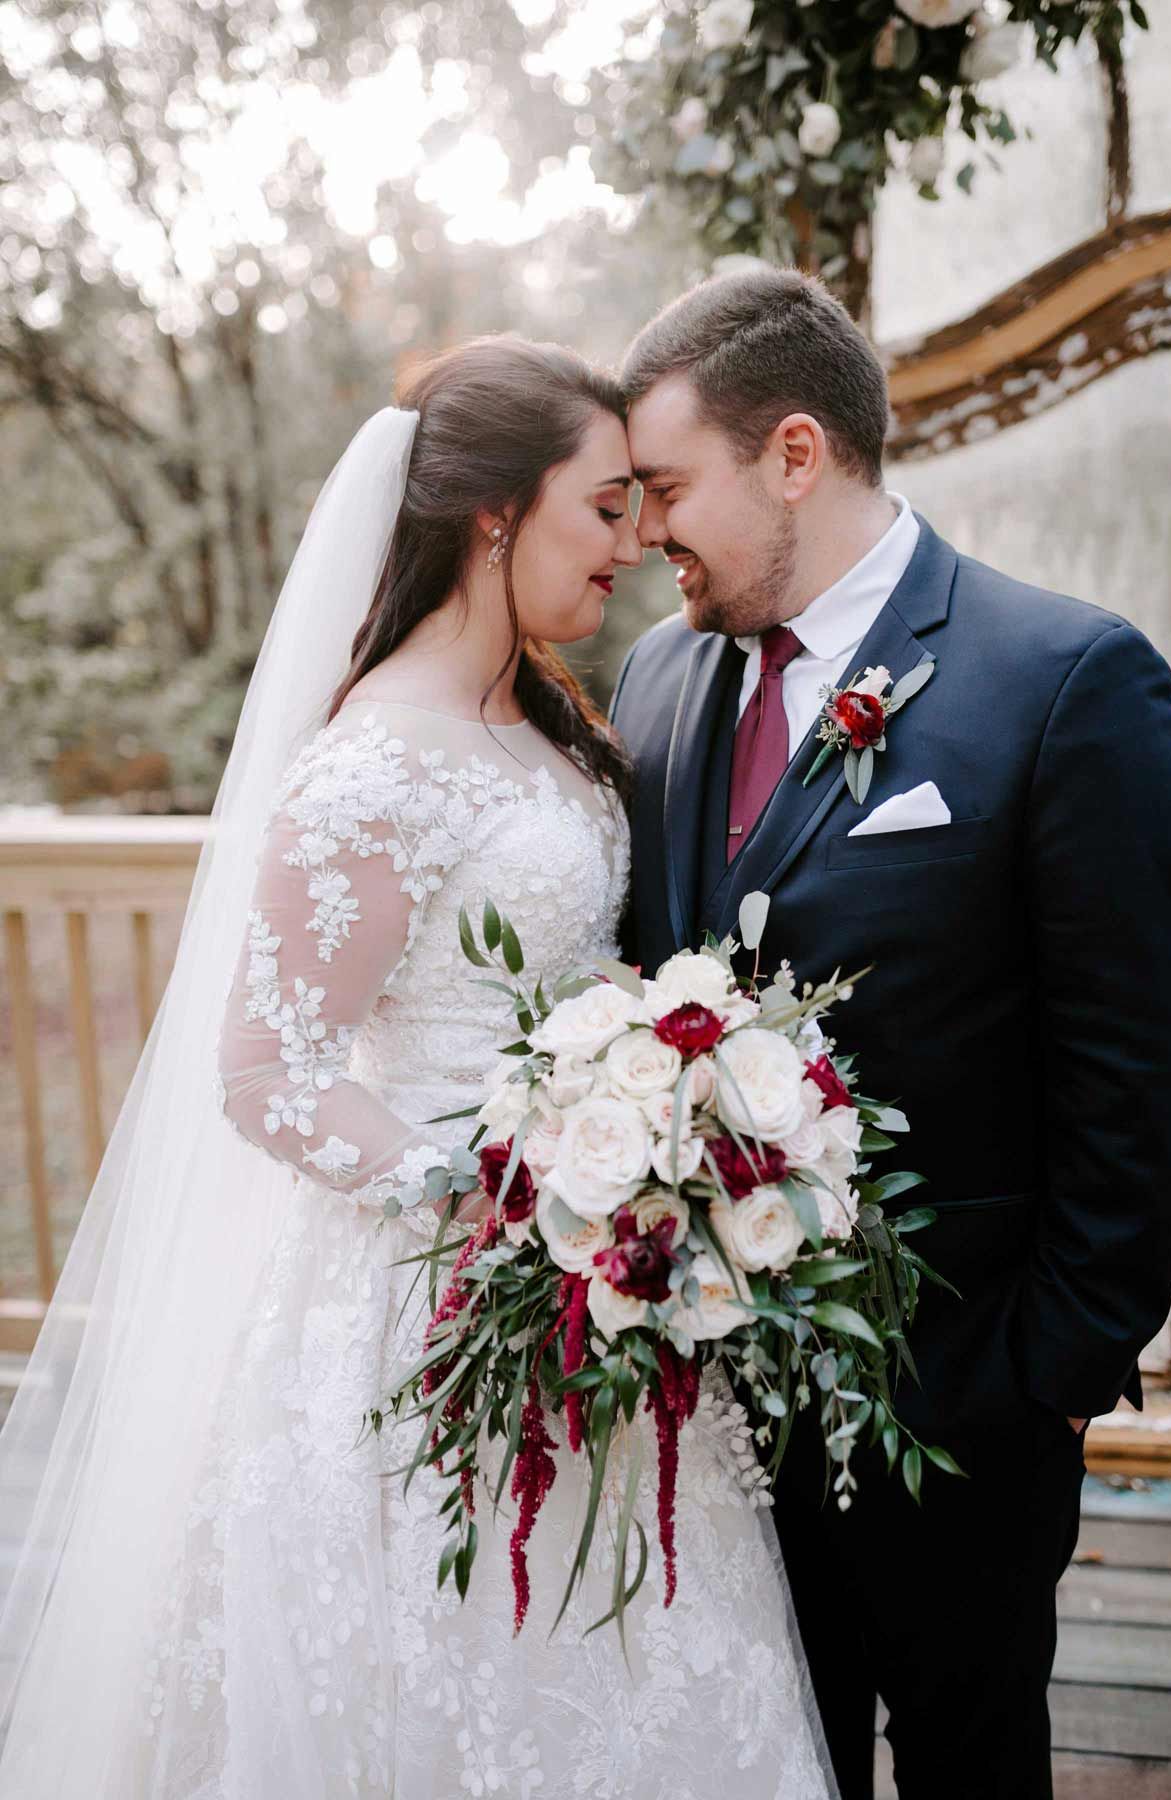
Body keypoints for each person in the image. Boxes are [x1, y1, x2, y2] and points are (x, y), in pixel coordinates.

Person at [0, 336, 838, 1799]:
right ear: (493, 515)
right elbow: (268, 1071)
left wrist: (656, 1129)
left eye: (644, 506)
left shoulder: (557, 725)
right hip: (431, 1306)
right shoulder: (372, 764)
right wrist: (515, 1199)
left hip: (598, 1296)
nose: (634, 545)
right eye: (603, 506)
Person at [610, 267, 1171, 1800]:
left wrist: (1062, 1363)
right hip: (713, 1407)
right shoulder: (663, 680)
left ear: (794, 455)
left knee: (968, 1761)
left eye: (670, 487)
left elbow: (1140, 1058)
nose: (645, 531)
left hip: (965, 1398)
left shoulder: (1066, 679)